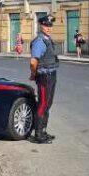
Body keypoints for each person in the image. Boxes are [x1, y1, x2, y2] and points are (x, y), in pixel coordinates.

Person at [29, 15, 59, 144]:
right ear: (41, 25)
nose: (48, 28)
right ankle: (38, 134)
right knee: (42, 105)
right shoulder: (39, 41)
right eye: (46, 25)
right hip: (44, 77)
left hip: (51, 75)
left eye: (50, 26)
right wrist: (33, 74)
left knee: (48, 104)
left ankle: (43, 130)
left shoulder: (48, 39)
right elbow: (33, 61)